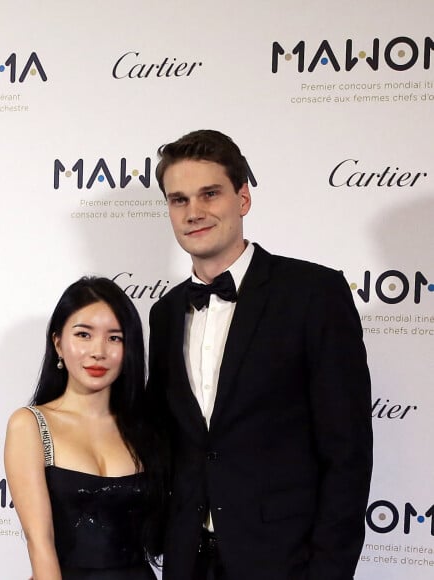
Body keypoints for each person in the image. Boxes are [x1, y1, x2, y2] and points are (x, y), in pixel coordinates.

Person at [146, 129, 373, 580]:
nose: (194, 212)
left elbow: (347, 451)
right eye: (179, 200)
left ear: (243, 197)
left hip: (283, 563)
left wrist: (328, 570)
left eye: (210, 194)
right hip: (187, 561)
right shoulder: (165, 313)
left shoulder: (313, 294)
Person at [5, 277, 164, 580]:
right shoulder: (31, 425)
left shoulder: (147, 427)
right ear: (58, 343)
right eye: (83, 335)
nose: (98, 352)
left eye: (115, 338)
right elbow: (40, 543)